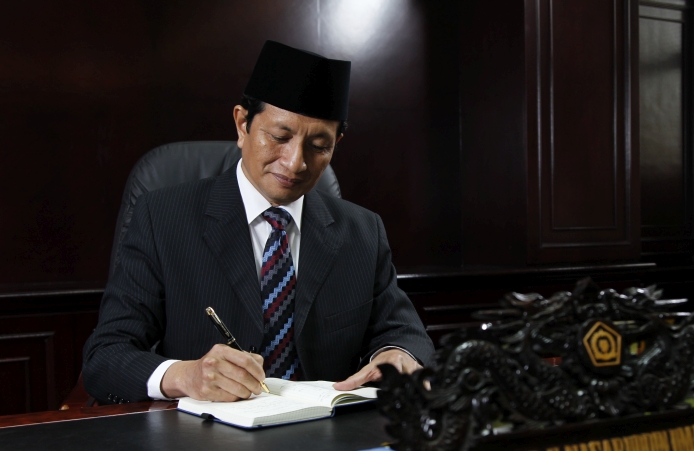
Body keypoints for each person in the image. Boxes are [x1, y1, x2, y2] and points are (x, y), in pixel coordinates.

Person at [83, 40, 435, 404]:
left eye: (319, 146)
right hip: (205, 447)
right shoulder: (162, 218)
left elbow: (405, 334)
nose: (296, 162)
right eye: (279, 137)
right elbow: (105, 355)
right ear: (241, 124)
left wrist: (399, 355)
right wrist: (185, 375)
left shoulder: (362, 232)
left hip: (324, 442)